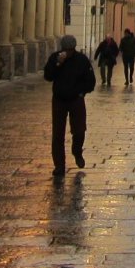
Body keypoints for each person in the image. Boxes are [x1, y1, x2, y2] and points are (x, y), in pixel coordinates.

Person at [44, 33, 96, 176]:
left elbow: (90, 81)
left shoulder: (82, 60)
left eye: (70, 50)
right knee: (58, 134)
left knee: (79, 130)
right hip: (59, 100)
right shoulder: (55, 58)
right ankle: (59, 165)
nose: (67, 52)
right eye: (65, 49)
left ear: (74, 49)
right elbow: (48, 76)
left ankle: (77, 152)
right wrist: (57, 64)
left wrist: (82, 92)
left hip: (76, 99)